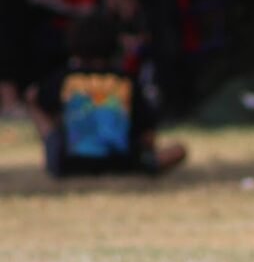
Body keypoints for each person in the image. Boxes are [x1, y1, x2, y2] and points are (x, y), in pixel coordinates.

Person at [25, 13, 186, 178]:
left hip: (70, 165)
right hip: (124, 163)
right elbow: (147, 134)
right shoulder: (126, 80)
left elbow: (34, 97)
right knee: (178, 150)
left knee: (34, 102)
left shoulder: (65, 78)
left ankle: (54, 154)